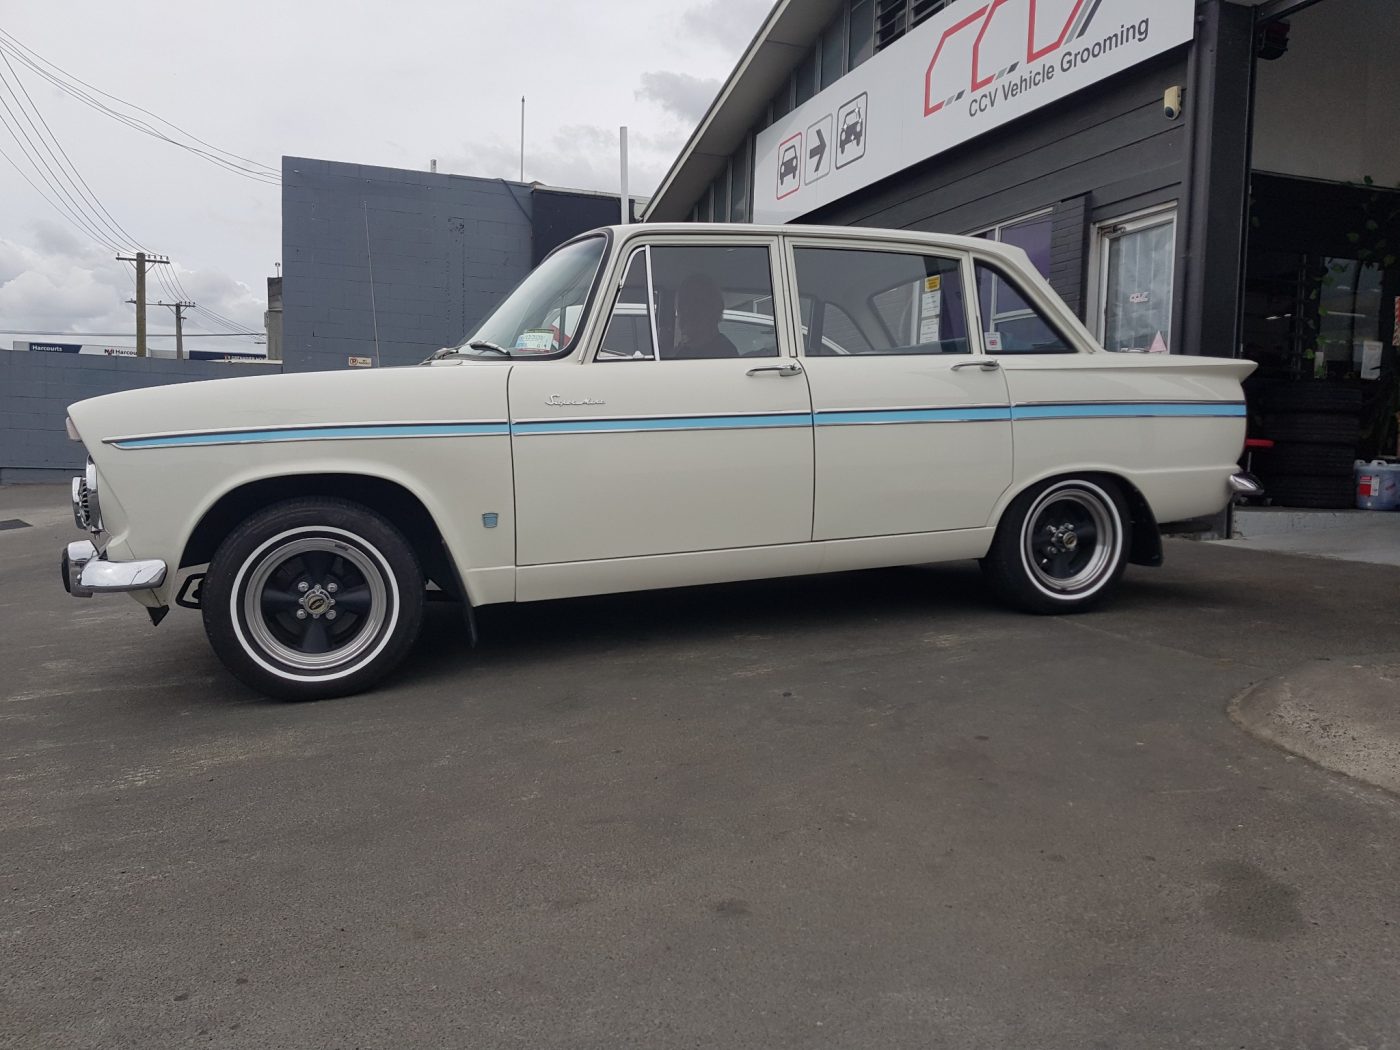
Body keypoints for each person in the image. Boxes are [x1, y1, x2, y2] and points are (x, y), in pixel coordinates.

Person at [671, 273, 739, 359]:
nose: (682, 318)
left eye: (692, 310)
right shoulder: (685, 350)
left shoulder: (723, 353)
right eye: (681, 309)